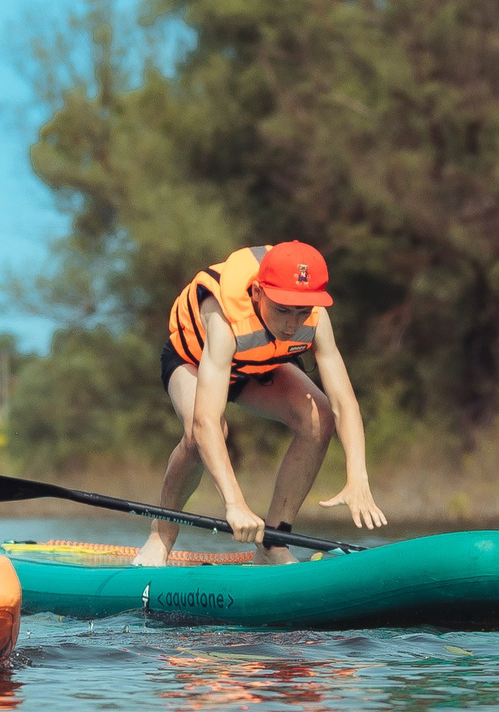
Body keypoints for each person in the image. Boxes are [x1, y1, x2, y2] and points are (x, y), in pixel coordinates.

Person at [136, 240, 385, 567]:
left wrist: (357, 477)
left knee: (319, 418)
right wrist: (234, 503)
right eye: (282, 309)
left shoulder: (315, 319)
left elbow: (344, 403)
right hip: (192, 361)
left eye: (302, 311)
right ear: (256, 293)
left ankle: (273, 542)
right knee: (202, 438)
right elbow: (205, 422)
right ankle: (161, 535)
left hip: (256, 366)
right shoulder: (223, 317)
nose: (293, 324)